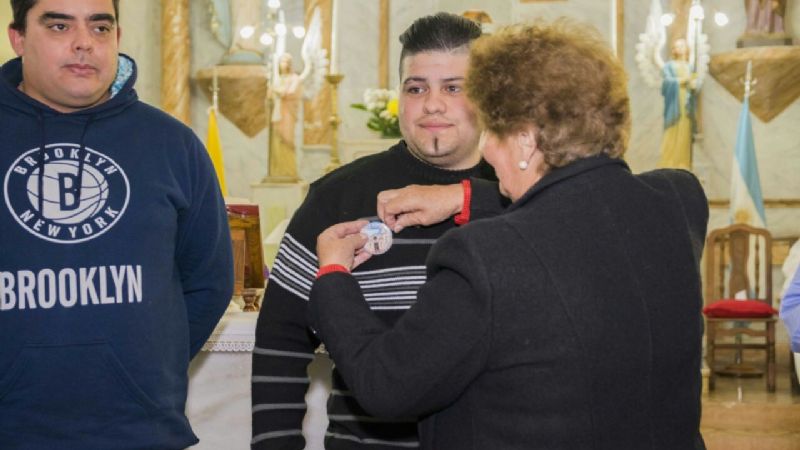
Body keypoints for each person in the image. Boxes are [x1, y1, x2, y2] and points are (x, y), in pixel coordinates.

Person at [310, 20, 708, 449]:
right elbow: (577, 205)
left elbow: (385, 384)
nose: (485, 150)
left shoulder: (484, 258)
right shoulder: (677, 203)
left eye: (491, 132)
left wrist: (334, 274)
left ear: (524, 141)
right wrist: (462, 197)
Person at [251, 12, 494, 450]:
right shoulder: (338, 195)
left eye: (454, 88)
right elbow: (280, 342)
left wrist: (468, 198)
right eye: (416, 88)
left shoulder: (521, 194)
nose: (432, 104)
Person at [0, 1, 233, 449]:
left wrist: (145, 369)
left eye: (100, 26)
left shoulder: (172, 144)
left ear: (117, 38)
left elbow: (209, 281)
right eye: (59, 25)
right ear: (18, 38)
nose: (84, 42)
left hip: (140, 431)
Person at [658, 38, 695, 171]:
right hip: (674, 103)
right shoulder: (669, 65)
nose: (679, 48)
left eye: (682, 46)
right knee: (672, 131)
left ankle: (682, 163)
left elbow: (694, 84)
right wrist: (680, 81)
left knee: (685, 132)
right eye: (676, 46)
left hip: (686, 104)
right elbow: (665, 83)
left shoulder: (689, 66)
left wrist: (692, 84)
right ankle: (668, 162)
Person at [268, 53, 302, 181]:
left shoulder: (295, 78)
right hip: (277, 113)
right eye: (282, 61)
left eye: (287, 61)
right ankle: (276, 170)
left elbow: (291, 93)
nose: (284, 64)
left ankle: (289, 171)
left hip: (287, 113)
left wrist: (277, 91)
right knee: (276, 140)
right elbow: (271, 96)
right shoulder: (277, 79)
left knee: (287, 139)